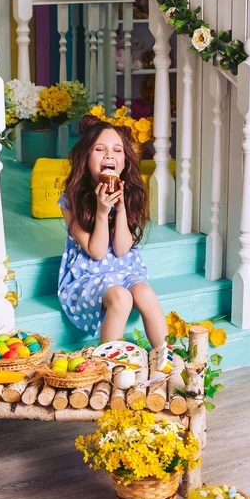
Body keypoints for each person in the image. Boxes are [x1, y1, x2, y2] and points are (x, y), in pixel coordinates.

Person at [57, 115, 167, 348]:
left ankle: (166, 356)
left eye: (117, 150)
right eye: (100, 149)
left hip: (125, 270)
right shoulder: (71, 199)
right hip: (87, 277)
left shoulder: (130, 194)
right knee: (121, 297)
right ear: (86, 157)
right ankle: (108, 366)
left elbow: (121, 249)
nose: (109, 155)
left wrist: (120, 209)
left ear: (125, 162)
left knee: (145, 292)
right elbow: (97, 252)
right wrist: (100, 211)